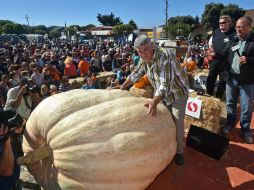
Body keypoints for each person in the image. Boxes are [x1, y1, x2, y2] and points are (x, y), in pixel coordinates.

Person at [120, 35, 189, 165]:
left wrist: (155, 101)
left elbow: (165, 84)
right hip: (162, 93)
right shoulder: (143, 59)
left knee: (177, 120)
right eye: (139, 51)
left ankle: (179, 151)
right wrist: (122, 87)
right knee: (162, 119)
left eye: (145, 49)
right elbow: (136, 74)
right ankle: (168, 144)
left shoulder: (165, 56)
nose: (143, 54)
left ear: (152, 46)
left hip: (177, 92)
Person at [221, 16, 254, 144]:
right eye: (237, 27)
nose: (238, 29)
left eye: (241, 27)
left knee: (246, 106)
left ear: (249, 27)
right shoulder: (233, 39)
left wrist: (249, 60)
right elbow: (225, 52)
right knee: (230, 103)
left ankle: (245, 130)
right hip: (231, 77)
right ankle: (230, 123)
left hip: (247, 80)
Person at [206, 15, 236, 99]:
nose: (221, 24)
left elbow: (234, 47)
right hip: (215, 59)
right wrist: (211, 49)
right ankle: (209, 94)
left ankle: (218, 98)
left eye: (223, 22)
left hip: (227, 61)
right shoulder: (216, 32)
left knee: (222, 81)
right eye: (220, 23)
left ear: (229, 23)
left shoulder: (234, 33)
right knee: (211, 76)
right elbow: (211, 44)